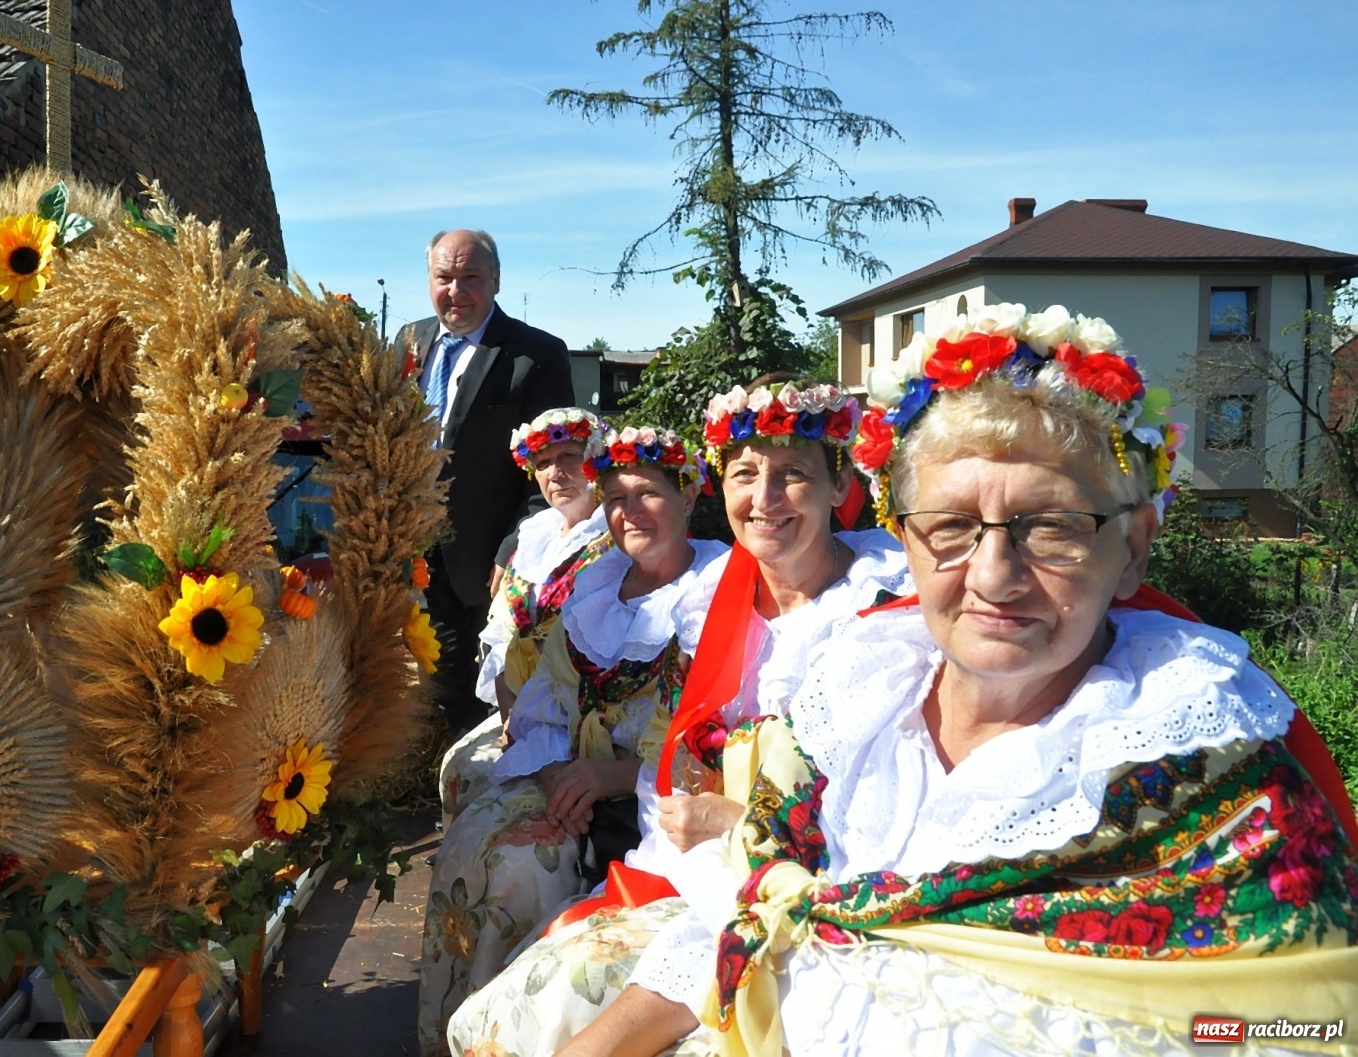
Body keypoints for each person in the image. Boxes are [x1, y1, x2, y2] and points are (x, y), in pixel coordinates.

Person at [555, 304, 1358, 1056]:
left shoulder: (1213, 774)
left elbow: (1298, 1020)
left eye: (1052, 526)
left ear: (1134, 549)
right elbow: (756, 910)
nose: (995, 573)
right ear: (902, 537)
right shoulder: (857, 703)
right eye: (951, 527)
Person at [445, 377, 914, 1056]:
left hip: (806, 887)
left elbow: (885, 803)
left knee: (556, 993)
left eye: (793, 475)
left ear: (840, 487)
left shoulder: (883, 602)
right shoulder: (731, 596)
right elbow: (689, 749)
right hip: (700, 861)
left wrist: (725, 816)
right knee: (513, 992)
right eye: (747, 474)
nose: (765, 498)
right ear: (721, 489)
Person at [419, 424, 726, 1057]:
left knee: (515, 868)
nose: (628, 511)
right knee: (471, 843)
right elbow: (551, 693)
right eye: (614, 497)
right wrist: (561, 769)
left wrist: (610, 778)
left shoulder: (715, 593)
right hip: (571, 776)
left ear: (689, 496)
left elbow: (707, 732)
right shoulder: (594, 583)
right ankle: (445, 1033)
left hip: (652, 804)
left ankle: (512, 1026)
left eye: (647, 493)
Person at [395, 229, 574, 732]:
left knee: (474, 702)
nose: (456, 291)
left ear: (495, 280)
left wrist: (515, 548)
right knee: (412, 691)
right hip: (407, 553)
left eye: (470, 278)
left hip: (482, 563)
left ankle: (463, 803)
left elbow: (555, 471)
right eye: (443, 278)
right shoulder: (408, 341)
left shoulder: (535, 355)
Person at [439, 408, 614, 833]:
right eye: (542, 463)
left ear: (596, 458)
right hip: (523, 710)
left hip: (588, 719)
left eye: (569, 456)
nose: (556, 472)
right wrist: (511, 721)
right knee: (456, 769)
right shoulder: (535, 533)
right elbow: (502, 638)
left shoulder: (618, 533)